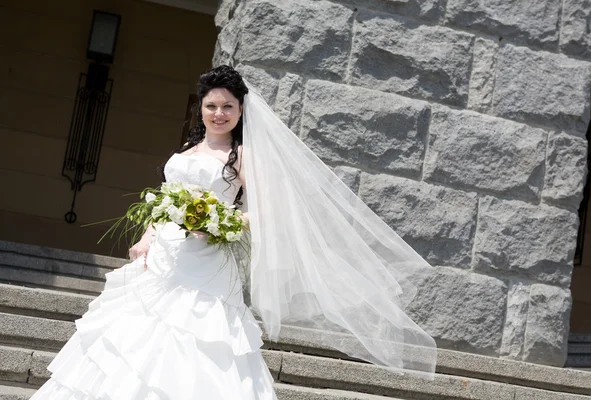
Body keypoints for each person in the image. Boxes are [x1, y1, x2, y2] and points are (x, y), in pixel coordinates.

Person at [31, 65, 437, 399]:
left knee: (197, 338)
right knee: (137, 333)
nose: (218, 113)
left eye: (227, 106)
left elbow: (265, 211)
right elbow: (164, 200)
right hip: (163, 258)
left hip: (207, 261)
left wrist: (220, 225)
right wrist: (145, 236)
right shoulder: (186, 151)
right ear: (201, 109)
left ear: (241, 111)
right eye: (211, 106)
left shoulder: (241, 156)